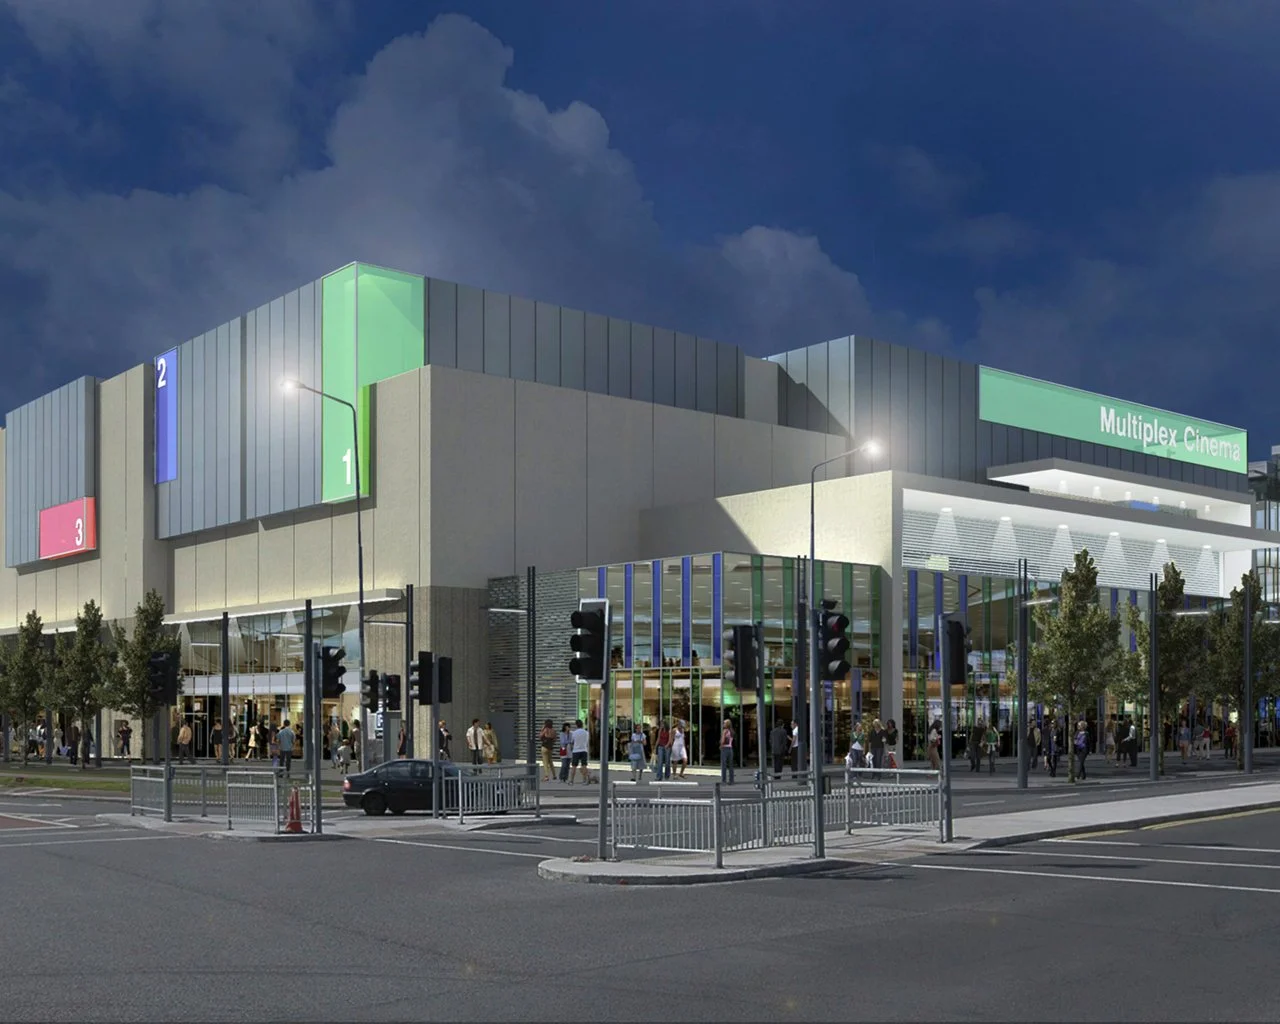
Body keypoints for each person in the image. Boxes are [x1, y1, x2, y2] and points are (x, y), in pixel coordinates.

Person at [570, 719, 591, 784]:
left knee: (574, 766)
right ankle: (584, 780)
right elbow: (587, 742)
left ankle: (571, 780)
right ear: (582, 725)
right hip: (584, 750)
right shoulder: (586, 733)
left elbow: (572, 742)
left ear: (576, 725)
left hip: (576, 750)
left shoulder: (574, 733)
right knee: (584, 765)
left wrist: (572, 748)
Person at [719, 719, 736, 785]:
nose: (723, 724)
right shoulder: (731, 731)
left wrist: (721, 745)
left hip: (725, 748)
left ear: (727, 724)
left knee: (724, 765)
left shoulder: (725, 731)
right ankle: (731, 780)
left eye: (724, 723)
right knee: (731, 765)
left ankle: (724, 781)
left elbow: (723, 740)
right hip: (730, 749)